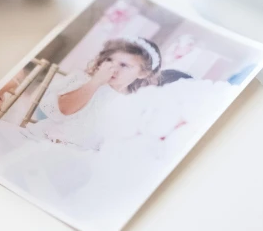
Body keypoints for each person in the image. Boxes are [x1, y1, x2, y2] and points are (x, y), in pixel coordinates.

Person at [23, 37, 162, 150]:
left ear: (143, 73)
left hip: (81, 159)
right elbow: (62, 110)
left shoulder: (131, 104)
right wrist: (94, 83)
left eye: (124, 65)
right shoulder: (82, 80)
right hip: (43, 142)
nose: (112, 68)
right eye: (109, 60)